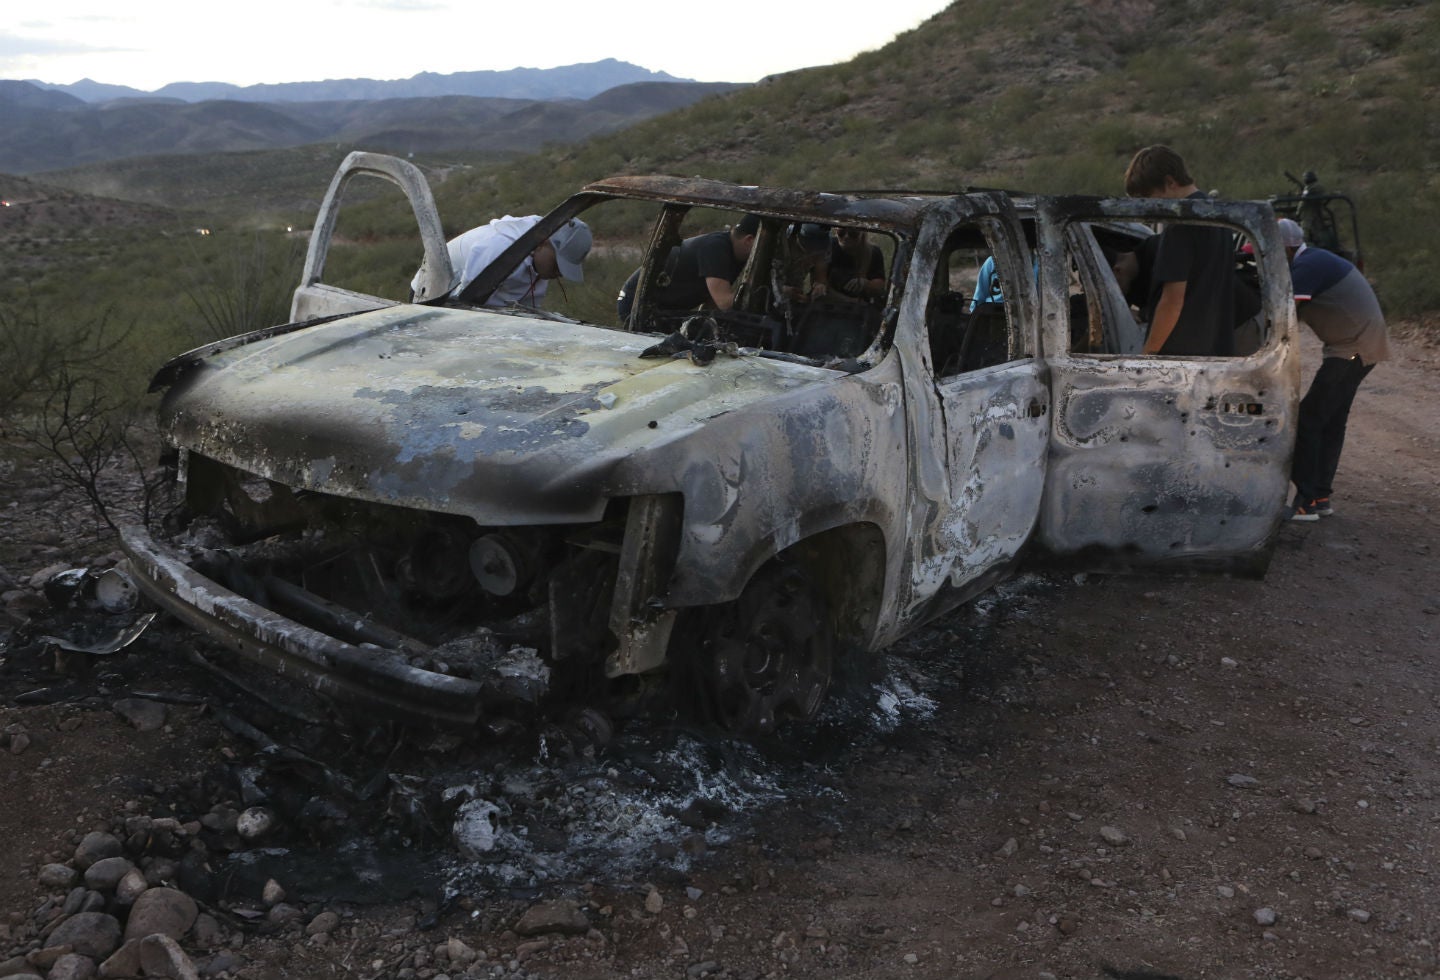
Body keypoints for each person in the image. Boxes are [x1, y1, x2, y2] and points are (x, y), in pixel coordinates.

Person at [1277, 217, 1391, 521]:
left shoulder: (1307, 267)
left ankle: (1305, 502)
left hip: (1352, 348)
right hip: (1358, 344)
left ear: (1284, 250)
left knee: (1309, 419)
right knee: (1331, 420)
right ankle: (1321, 496)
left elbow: (1285, 315)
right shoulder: (1315, 260)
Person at [1122, 145, 1236, 356]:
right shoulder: (1219, 217)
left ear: (1170, 182)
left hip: (1179, 356)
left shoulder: (1180, 226)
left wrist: (1148, 355)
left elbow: (1172, 301)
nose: (1149, 211)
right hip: (1213, 349)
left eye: (1150, 199)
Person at [410, 215, 591, 308]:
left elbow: (527, 308)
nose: (558, 273)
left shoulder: (539, 258)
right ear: (544, 242)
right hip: (431, 296)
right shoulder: (499, 248)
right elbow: (465, 303)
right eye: (557, 264)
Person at [826, 227, 885, 304]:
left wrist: (865, 283)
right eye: (841, 232)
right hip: (830, 303)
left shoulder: (873, 252)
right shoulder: (830, 246)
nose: (846, 237)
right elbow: (820, 282)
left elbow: (879, 286)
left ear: (862, 234)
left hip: (860, 306)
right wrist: (850, 301)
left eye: (853, 233)